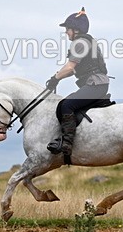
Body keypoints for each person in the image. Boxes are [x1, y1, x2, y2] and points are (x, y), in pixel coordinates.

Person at [44, 8, 110, 158]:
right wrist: (57, 77)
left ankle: (67, 143)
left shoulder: (80, 43)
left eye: (67, 29)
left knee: (66, 105)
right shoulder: (86, 41)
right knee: (64, 104)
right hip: (96, 83)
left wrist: (55, 78)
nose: (66, 32)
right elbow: (72, 71)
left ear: (76, 29)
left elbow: (69, 67)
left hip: (95, 84)